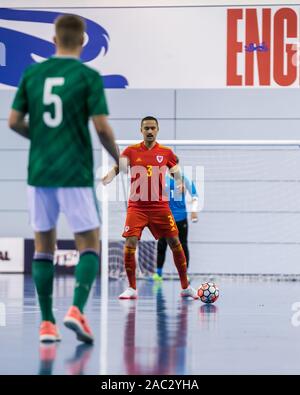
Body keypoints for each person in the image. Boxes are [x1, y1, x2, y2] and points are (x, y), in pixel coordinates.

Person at [8, 14, 119, 343]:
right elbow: (101, 128)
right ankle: (76, 310)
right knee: (89, 243)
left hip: (39, 171)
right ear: (83, 43)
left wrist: (42, 139)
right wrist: (117, 157)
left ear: (53, 40)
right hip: (74, 171)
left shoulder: (32, 73)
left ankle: (46, 323)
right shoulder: (87, 76)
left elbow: (14, 121)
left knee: (44, 246)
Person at [102, 116, 199, 300]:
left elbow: (176, 172)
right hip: (136, 207)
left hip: (160, 207)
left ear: (157, 130)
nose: (149, 131)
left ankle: (185, 287)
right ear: (141, 130)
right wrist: (109, 176)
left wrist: (179, 183)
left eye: (152, 128)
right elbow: (119, 167)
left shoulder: (166, 152)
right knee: (130, 243)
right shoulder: (131, 151)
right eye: (146, 128)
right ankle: (131, 288)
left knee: (175, 243)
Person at [153, 158, 199, 281]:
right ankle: (158, 273)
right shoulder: (162, 179)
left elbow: (195, 195)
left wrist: (194, 210)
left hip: (181, 218)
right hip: (165, 219)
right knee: (162, 245)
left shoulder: (184, 178)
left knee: (183, 245)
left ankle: (185, 274)